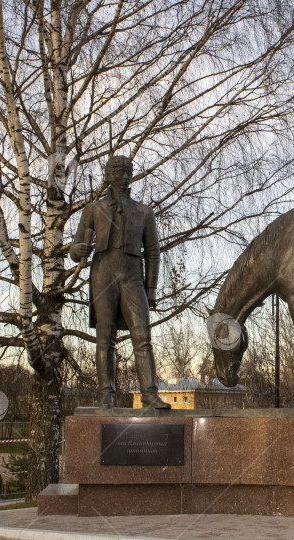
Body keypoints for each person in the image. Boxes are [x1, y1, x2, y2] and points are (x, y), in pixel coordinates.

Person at [70, 156, 170, 409]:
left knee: (142, 336)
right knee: (105, 338)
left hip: (132, 275)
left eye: (127, 170)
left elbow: (153, 252)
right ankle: (106, 395)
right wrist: (78, 249)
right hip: (103, 273)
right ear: (108, 174)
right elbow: (75, 248)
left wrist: (151, 289)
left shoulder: (144, 212)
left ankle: (149, 393)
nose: (123, 174)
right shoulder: (93, 209)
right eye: (116, 170)